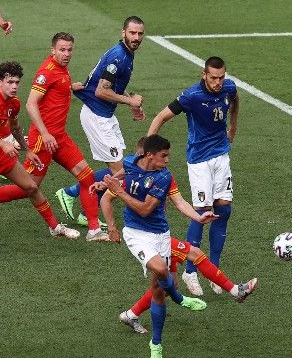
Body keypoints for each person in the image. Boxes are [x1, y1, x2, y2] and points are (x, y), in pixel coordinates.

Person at [0, 32, 110, 242]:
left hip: (58, 137)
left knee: (83, 178)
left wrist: (26, 148)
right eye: (62, 49)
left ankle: (92, 229)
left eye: (69, 50)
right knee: (27, 189)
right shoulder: (45, 73)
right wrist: (42, 135)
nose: (66, 54)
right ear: (53, 50)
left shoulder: (49, 79)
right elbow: (31, 104)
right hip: (41, 140)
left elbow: (16, 124)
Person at [100, 134, 216, 358]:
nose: (167, 160)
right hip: (136, 234)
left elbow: (156, 206)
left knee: (158, 292)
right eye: (164, 156)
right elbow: (124, 173)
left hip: (161, 236)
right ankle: (180, 297)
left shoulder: (163, 177)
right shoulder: (131, 161)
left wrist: (198, 217)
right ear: (149, 155)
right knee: (162, 270)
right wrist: (110, 184)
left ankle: (156, 344)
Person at [0, 62, 79, 248]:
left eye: (17, 82)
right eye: (10, 82)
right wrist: (2, 144)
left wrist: (28, 150)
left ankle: (54, 227)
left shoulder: (13, 103)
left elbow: (15, 127)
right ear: (0, 81)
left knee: (31, 187)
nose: (14, 86)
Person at [147, 56, 239, 296]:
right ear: (204, 75)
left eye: (221, 77)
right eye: (213, 78)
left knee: (224, 211)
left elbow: (234, 100)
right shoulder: (191, 96)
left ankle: (215, 272)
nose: (218, 83)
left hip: (221, 156)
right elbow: (160, 117)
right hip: (199, 161)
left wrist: (233, 126)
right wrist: (147, 151)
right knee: (202, 213)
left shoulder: (229, 87)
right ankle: (190, 270)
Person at [57, 16, 146, 224]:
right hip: (96, 115)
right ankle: (74, 197)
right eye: (132, 33)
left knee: (123, 167)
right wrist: (130, 101)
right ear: (123, 33)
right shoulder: (119, 57)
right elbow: (101, 91)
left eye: (140, 34)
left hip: (104, 115)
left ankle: (73, 195)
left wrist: (132, 101)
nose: (136, 37)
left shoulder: (126, 54)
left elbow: (113, 87)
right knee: (120, 172)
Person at [119, 237, 258, 334]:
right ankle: (235, 290)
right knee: (196, 254)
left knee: (170, 285)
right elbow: (109, 197)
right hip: (152, 239)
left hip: (159, 234)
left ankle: (131, 315)